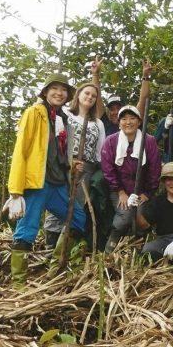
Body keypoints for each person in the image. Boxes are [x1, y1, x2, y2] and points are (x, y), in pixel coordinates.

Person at [3, 72, 86, 289]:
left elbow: (60, 153)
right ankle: (19, 285)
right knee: (27, 230)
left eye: (63, 90)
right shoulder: (34, 113)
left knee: (78, 219)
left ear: (68, 96)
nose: (59, 93)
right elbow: (21, 149)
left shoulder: (63, 119)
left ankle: (55, 270)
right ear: (46, 92)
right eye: (54, 89)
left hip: (59, 183)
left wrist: (71, 167)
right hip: (37, 183)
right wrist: (15, 191)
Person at [43, 77, 108, 250]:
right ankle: (50, 246)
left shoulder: (98, 123)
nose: (90, 97)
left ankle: (63, 249)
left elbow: (99, 152)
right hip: (62, 166)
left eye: (94, 96)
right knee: (57, 203)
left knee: (75, 206)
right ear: (78, 95)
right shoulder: (65, 115)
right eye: (87, 93)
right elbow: (55, 142)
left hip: (85, 168)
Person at [100, 101, 162, 253]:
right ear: (119, 122)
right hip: (120, 190)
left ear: (139, 121)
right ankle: (109, 250)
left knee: (141, 218)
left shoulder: (149, 141)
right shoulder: (111, 141)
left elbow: (154, 169)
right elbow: (108, 169)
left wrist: (147, 193)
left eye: (132, 118)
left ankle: (139, 251)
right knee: (125, 217)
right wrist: (120, 192)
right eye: (124, 119)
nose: (128, 122)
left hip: (142, 190)